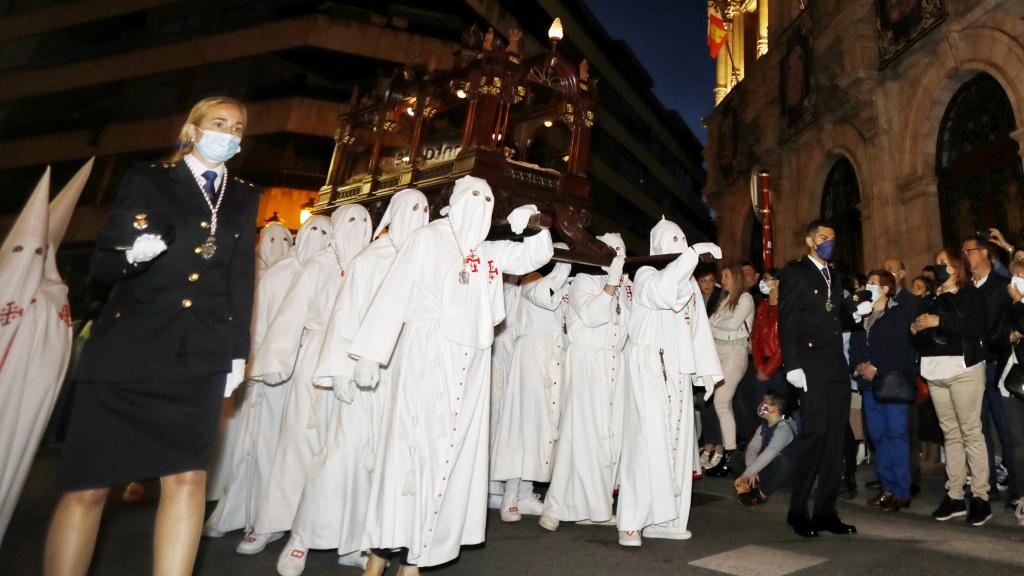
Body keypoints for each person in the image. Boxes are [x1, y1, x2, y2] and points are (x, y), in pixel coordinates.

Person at [45, 97, 261, 576]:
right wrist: (132, 257)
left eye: (238, 127)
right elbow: (103, 265)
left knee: (187, 480)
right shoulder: (149, 178)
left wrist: (237, 353)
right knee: (90, 485)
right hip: (130, 349)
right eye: (219, 123)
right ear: (193, 129)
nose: (228, 133)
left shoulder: (245, 195)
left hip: (198, 354)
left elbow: (240, 277)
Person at [349, 176, 552, 574]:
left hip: (472, 362)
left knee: (452, 456)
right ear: (454, 203)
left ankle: (417, 558)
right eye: (473, 196)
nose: (480, 204)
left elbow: (533, 259)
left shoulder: (486, 252)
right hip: (427, 353)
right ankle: (381, 554)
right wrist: (371, 354)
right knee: (412, 454)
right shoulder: (428, 239)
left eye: (488, 198)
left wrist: (535, 223)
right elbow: (395, 292)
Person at [276, 189, 430, 576]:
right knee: (340, 454)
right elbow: (345, 317)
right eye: (411, 208)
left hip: (404, 376)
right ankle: (303, 535)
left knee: (383, 465)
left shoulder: (428, 260)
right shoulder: (371, 260)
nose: (419, 215)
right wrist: (341, 368)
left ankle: (359, 539)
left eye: (425, 209)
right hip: (363, 373)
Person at [240, 204, 372, 554]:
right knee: (299, 440)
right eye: (350, 221)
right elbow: (291, 315)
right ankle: (276, 522)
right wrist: (274, 360)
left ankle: (342, 536)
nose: (357, 228)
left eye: (364, 221)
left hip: (356, 364)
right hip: (314, 359)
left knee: (347, 451)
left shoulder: (372, 264)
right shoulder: (318, 267)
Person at [204, 215, 332, 538]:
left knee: (297, 448)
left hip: (307, 372)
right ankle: (250, 514)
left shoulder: (329, 271)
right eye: (311, 230)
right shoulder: (276, 277)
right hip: (274, 373)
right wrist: (257, 365)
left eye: (324, 233)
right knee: (262, 444)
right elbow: (258, 327)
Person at [615, 219, 723, 547]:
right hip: (648, 365)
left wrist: (705, 372)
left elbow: (698, 329)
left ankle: (670, 517)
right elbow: (663, 293)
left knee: (677, 447)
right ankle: (631, 521)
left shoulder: (687, 280)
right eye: (672, 240)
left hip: (676, 370)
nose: (678, 244)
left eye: (683, 239)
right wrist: (690, 256)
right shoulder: (645, 274)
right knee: (646, 443)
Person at [778, 220, 866, 538]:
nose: (829, 242)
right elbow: (786, 320)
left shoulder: (834, 274)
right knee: (814, 435)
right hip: (809, 366)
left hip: (835, 368)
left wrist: (856, 313)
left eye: (833, 237)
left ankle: (826, 512)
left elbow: (837, 314)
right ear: (810, 241)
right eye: (824, 237)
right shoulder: (795, 272)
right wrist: (792, 363)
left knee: (834, 443)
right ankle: (797, 510)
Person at [540, 233, 631, 532]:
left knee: (607, 437)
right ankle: (556, 505)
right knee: (578, 435)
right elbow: (593, 317)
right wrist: (611, 284)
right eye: (612, 250)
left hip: (614, 364)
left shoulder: (625, 287)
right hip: (587, 362)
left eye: (621, 250)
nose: (618, 255)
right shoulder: (585, 282)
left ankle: (595, 505)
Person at [912, 248, 991, 526]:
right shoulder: (932, 298)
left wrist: (940, 321)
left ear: (957, 268)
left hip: (963, 370)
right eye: (936, 263)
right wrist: (917, 328)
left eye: (943, 263)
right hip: (935, 371)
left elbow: (976, 327)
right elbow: (920, 335)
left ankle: (981, 496)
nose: (938, 267)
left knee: (970, 432)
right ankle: (955, 495)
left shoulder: (971, 295)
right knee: (950, 434)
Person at [491, 250, 572, 522]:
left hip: (552, 357)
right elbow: (545, 297)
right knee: (522, 427)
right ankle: (510, 496)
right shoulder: (532, 279)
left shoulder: (562, 283)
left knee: (542, 428)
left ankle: (526, 493)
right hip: (530, 357)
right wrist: (565, 266)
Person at [850, 270, 916, 512]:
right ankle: (887, 487)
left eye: (875, 283)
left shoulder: (897, 314)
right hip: (868, 385)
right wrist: (859, 366)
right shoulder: (862, 315)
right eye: (868, 282)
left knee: (895, 435)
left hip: (891, 384)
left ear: (887, 288)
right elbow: (855, 346)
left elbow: (900, 349)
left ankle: (901, 491)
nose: (870, 286)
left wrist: (876, 368)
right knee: (877, 436)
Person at [963, 235, 1017, 503]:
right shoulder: (967, 289)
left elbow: (1007, 324)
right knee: (978, 429)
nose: (966, 257)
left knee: (1007, 430)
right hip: (973, 366)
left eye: (969, 251)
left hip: (996, 363)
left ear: (984, 253)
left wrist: (987, 343)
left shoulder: (1002, 286)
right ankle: (987, 485)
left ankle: (1017, 489)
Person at [707, 263, 755, 476]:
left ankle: (729, 455)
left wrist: (716, 325)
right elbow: (710, 323)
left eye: (725, 276)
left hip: (735, 353)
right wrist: (717, 324)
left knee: (721, 402)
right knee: (721, 404)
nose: (722, 280)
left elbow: (733, 324)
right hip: (720, 353)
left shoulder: (745, 298)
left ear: (734, 277)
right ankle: (729, 454)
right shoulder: (725, 300)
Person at [734, 391, 798, 506]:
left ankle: (761, 494)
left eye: (765, 402)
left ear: (775, 408)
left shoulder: (785, 427)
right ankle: (751, 484)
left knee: (783, 462)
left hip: (786, 473)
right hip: (769, 468)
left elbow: (770, 452)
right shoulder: (763, 426)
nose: (761, 404)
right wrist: (751, 470)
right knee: (736, 457)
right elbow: (753, 447)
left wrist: (748, 472)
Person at [1002, 259, 1024, 524]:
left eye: (1022, 274)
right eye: (1014, 275)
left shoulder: (1016, 303)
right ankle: (1021, 495)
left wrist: (1019, 303)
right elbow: (995, 334)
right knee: (1019, 443)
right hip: (1012, 381)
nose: (1016, 279)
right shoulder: (1005, 304)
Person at [751, 269, 785, 398]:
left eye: (766, 279)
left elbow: (784, 343)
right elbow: (756, 339)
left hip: (779, 367)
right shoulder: (762, 306)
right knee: (761, 409)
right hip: (762, 365)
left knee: (780, 408)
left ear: (776, 283)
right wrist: (759, 366)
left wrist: (767, 370)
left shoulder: (785, 308)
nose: (762, 282)